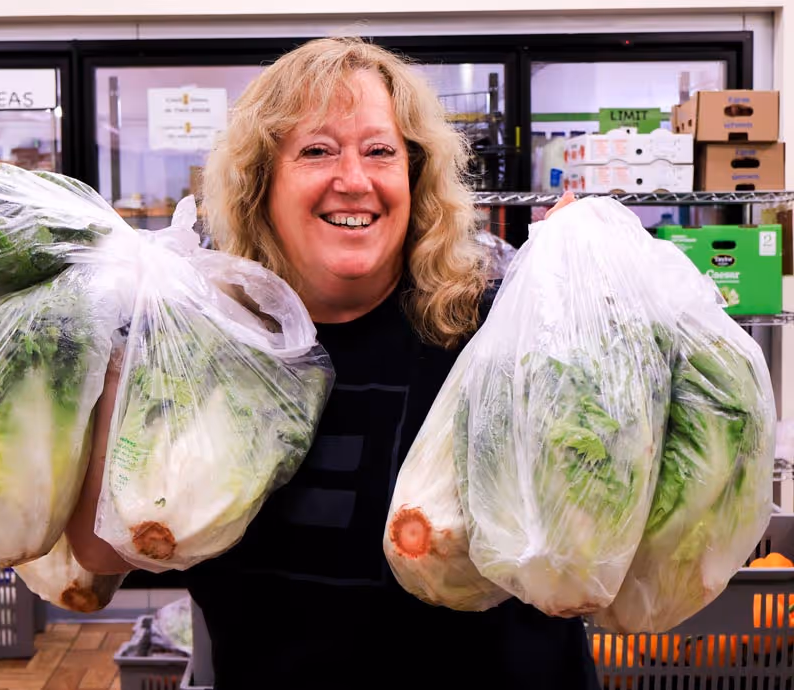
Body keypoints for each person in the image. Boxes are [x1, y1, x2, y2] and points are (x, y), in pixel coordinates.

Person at [66, 37, 592, 689]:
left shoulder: (493, 321)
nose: (354, 180)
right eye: (317, 151)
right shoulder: (205, 342)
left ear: (414, 174)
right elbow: (98, 550)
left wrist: (588, 297)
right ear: (263, 180)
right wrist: (121, 355)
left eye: (380, 151)